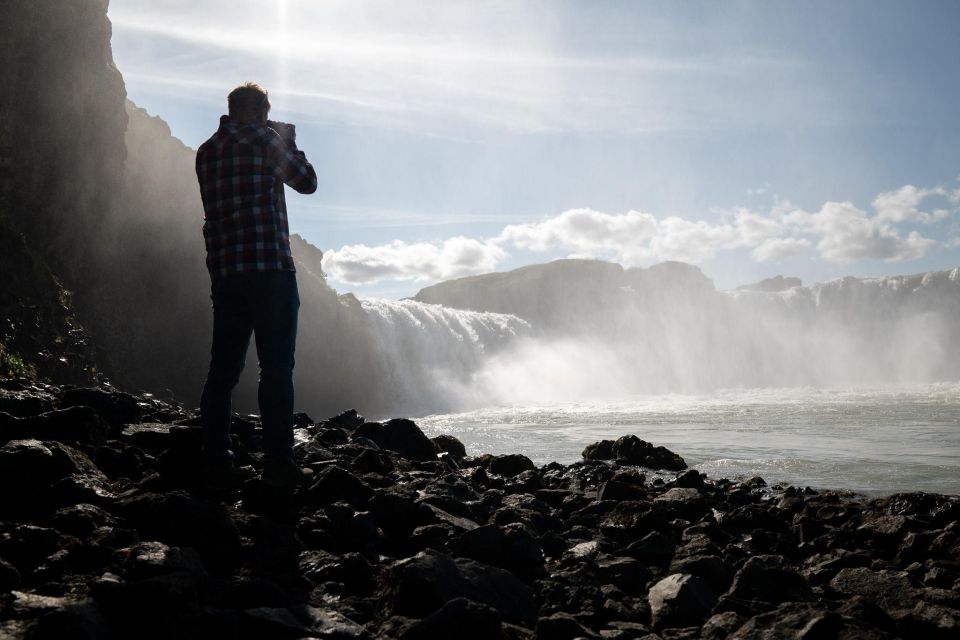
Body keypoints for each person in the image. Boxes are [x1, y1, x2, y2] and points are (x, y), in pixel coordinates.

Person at [195, 82, 317, 489]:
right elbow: (306, 182)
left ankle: (214, 455)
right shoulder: (266, 141)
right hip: (269, 269)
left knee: (223, 370)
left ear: (231, 110)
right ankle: (278, 461)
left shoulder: (206, 151)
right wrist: (288, 142)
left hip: (227, 272)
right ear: (262, 112)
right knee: (276, 368)